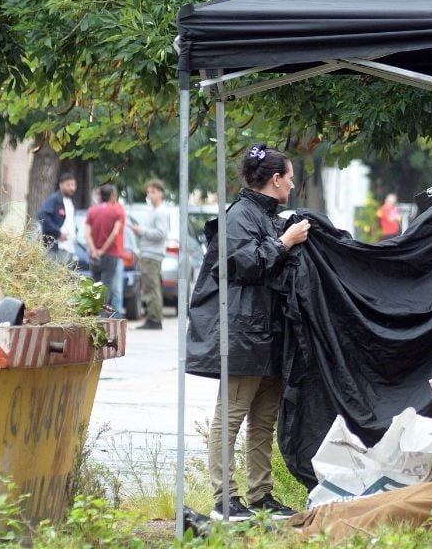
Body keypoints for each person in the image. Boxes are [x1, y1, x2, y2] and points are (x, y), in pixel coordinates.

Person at [186, 143, 310, 521]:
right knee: (231, 416)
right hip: (242, 333)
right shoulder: (240, 215)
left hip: (268, 334)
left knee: (264, 419)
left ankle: (260, 496)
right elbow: (247, 264)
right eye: (289, 177)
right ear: (276, 179)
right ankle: (225, 499)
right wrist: (285, 242)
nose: (292, 184)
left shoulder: (266, 215)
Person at [131, 179, 170, 330]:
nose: (150, 195)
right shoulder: (153, 210)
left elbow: (161, 233)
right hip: (149, 253)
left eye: (153, 192)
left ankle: (154, 319)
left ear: (160, 193)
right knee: (149, 287)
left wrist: (141, 231)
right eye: (148, 192)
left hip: (153, 254)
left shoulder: (160, 212)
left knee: (151, 287)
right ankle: (153, 317)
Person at [86, 185, 126, 317]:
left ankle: (94, 314)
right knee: (106, 285)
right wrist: (103, 250)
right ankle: (103, 316)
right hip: (111, 254)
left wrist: (94, 250)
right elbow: (115, 233)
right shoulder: (117, 211)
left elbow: (87, 233)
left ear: (99, 196)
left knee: (95, 284)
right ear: (112, 196)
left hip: (94, 254)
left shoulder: (92, 211)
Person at [37, 173, 78, 265]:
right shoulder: (55, 199)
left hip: (69, 246)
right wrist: (58, 233)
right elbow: (42, 215)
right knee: (55, 274)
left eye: (73, 185)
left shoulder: (71, 202)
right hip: (57, 246)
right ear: (61, 184)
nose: (72, 188)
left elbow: (70, 222)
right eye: (68, 185)